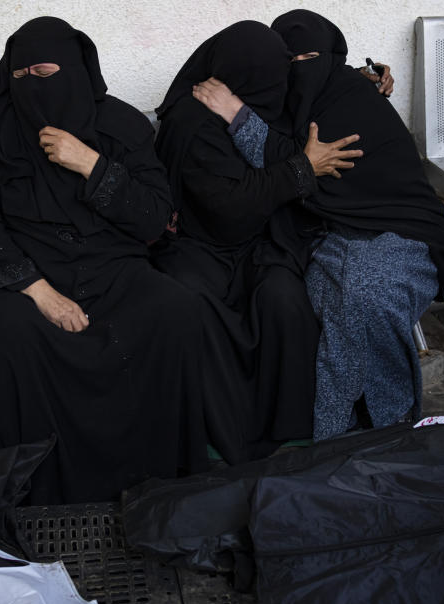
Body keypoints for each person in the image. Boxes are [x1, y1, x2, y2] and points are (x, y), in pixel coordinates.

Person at [0, 17, 207, 504]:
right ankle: (41, 492)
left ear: (74, 70)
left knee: (175, 312)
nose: (32, 86)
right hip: (30, 275)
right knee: (11, 336)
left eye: (45, 73)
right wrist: (37, 290)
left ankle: (158, 480)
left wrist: (92, 165)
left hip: (115, 269)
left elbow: (155, 220)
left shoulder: (121, 125)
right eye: (20, 76)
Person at [193, 10, 444, 440]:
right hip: (335, 231)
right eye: (289, 60)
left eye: (310, 57)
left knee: (364, 297)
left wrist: (237, 114)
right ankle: (343, 424)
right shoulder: (302, 94)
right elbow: (297, 154)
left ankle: (388, 423)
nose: (299, 69)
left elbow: (292, 162)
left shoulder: (349, 96)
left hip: (401, 230)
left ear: (329, 56)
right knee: (328, 299)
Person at [151, 20, 363, 464]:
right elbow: (229, 206)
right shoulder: (191, 122)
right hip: (198, 243)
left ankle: (292, 434)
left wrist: (371, 79)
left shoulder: (255, 106)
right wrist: (301, 171)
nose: (279, 83)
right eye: (268, 72)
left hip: (256, 243)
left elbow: (318, 99)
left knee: (283, 300)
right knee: (199, 310)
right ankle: (216, 439)